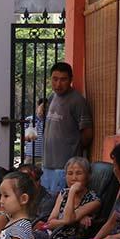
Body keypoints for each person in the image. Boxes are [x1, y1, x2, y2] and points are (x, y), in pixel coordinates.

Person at [33, 157, 101, 239]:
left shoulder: (94, 200)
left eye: (79, 173)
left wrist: (72, 192)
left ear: (88, 176)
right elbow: (51, 221)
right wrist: (74, 218)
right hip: (51, 234)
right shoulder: (63, 192)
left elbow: (69, 219)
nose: (74, 178)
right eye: (70, 173)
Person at [41, 63, 93, 195]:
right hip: (47, 164)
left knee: (60, 203)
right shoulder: (52, 97)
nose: (58, 84)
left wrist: (72, 147)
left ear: (71, 80)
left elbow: (87, 133)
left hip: (64, 167)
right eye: (55, 79)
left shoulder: (77, 101)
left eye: (63, 79)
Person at [23, 98, 47, 164]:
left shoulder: (49, 121)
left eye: (46, 108)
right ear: (37, 107)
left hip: (45, 156)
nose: (44, 110)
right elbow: (25, 138)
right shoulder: (29, 119)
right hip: (30, 154)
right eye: (42, 107)